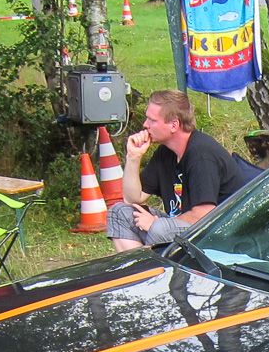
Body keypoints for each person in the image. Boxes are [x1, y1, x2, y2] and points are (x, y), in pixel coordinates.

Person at [109, 90, 255, 252]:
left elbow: (203, 215)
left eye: (152, 120)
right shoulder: (166, 152)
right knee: (119, 213)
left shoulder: (201, 155)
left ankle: (156, 267)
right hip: (184, 227)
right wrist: (133, 157)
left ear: (174, 125)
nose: (145, 124)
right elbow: (132, 199)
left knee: (160, 229)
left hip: (219, 235)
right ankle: (139, 266)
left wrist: (156, 223)